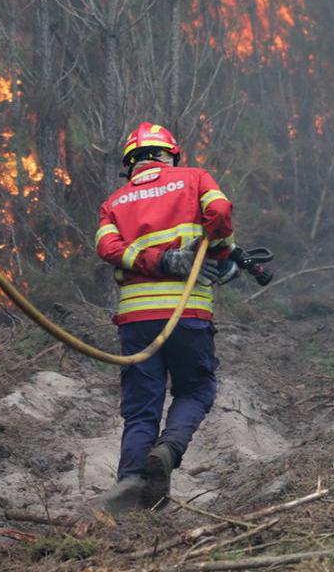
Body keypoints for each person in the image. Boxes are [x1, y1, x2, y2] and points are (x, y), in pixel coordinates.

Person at [93, 123, 235, 512]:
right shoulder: (195, 178)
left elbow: (106, 247)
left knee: (141, 409)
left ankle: (132, 493)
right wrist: (218, 256)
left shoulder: (115, 201)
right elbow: (219, 212)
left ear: (131, 164)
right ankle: (169, 451)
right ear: (170, 154)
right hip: (187, 313)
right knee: (195, 390)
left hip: (137, 319)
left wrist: (158, 260)